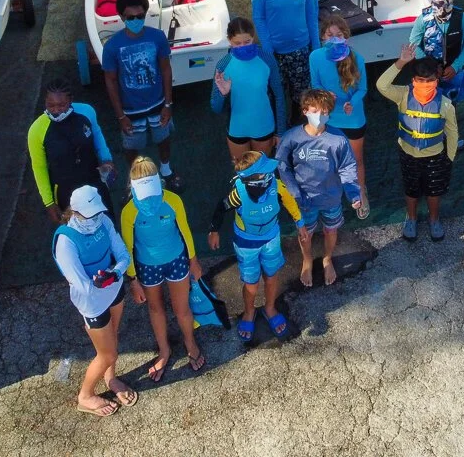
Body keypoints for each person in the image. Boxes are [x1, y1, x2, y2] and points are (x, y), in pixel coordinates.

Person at [52, 185, 136, 417]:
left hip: (113, 289)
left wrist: (114, 275)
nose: (97, 218)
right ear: (75, 213)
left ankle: (111, 378)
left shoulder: (104, 222)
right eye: (91, 215)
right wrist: (108, 278)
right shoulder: (65, 243)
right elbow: (82, 286)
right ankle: (85, 396)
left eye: (98, 212)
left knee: (114, 335)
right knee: (108, 354)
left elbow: (123, 256)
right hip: (92, 304)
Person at [119, 158, 206, 380]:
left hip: (176, 259)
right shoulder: (129, 212)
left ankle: (190, 342)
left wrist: (193, 260)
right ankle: (164, 350)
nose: (150, 198)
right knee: (156, 309)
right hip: (147, 267)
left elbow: (185, 231)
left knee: (182, 308)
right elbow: (127, 248)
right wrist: (133, 280)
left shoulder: (173, 200)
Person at [275, 89, 365, 288]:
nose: (320, 116)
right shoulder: (292, 138)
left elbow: (348, 167)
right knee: (304, 233)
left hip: (331, 198)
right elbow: (282, 166)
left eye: (325, 112)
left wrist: (353, 193)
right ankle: (307, 259)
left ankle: (327, 258)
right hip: (303, 201)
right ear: (305, 110)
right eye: (315, 111)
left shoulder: (339, 139)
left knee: (330, 231)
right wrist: (295, 193)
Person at [208, 151, 301, 343]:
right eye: (265, 171)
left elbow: (289, 201)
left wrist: (300, 222)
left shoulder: (277, 186)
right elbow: (221, 207)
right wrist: (214, 230)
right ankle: (249, 312)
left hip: (271, 240)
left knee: (271, 275)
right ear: (254, 180)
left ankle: (269, 308)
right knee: (251, 283)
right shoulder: (238, 195)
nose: (271, 173)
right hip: (246, 245)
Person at [377, 45, 459, 241]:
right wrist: (401, 62)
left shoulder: (446, 104)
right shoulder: (402, 95)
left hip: (435, 156)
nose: (424, 84)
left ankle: (434, 219)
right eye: (420, 81)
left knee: (434, 191)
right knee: (411, 190)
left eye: (429, 80)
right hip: (408, 154)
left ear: (436, 80)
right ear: (413, 80)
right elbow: (382, 85)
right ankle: (411, 218)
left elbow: (453, 132)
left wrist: (450, 157)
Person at [102, 0, 180, 188]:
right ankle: (134, 178)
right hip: (130, 111)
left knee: (163, 139)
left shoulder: (158, 37)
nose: (136, 20)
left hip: (158, 104)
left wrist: (168, 104)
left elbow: (165, 69)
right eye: (130, 17)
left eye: (140, 16)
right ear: (121, 17)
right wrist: (121, 116)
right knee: (131, 147)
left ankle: (166, 169)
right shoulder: (111, 47)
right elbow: (110, 81)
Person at [250, 0, 321, 110]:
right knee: (276, 91)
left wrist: (316, 44)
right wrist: (267, 47)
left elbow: (312, 15)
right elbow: (258, 18)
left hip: (300, 48)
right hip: (274, 51)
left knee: (301, 91)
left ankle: (297, 117)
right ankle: (277, 122)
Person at [28, 84, 115, 223]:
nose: (56, 110)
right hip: (65, 191)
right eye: (51, 105)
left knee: (107, 223)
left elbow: (97, 134)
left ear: (71, 100)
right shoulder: (36, 130)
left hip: (94, 182)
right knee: (76, 233)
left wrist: (107, 159)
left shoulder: (86, 112)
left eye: (61, 105)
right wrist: (49, 203)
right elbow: (39, 167)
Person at [309, 14, 369, 202]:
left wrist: (353, 102)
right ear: (322, 38)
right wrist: (325, 95)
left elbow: (362, 89)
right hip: (327, 117)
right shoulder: (315, 57)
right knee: (329, 161)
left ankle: (360, 193)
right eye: (329, 34)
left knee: (356, 160)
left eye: (339, 34)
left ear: (346, 37)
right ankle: (333, 195)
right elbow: (315, 84)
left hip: (353, 118)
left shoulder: (357, 58)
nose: (334, 38)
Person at [210, 17, 286, 164]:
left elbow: (279, 96)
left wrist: (281, 131)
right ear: (229, 41)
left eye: (247, 42)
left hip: (264, 127)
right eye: (237, 44)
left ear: (253, 37)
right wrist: (222, 94)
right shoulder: (223, 65)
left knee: (261, 170)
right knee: (242, 172)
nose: (243, 46)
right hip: (236, 129)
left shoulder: (267, 59)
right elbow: (215, 108)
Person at [409, 0, 464, 103]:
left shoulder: (461, 17)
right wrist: (431, 68)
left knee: (452, 102)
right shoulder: (423, 19)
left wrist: (455, 66)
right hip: (429, 74)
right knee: (430, 101)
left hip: (454, 71)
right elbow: (413, 44)